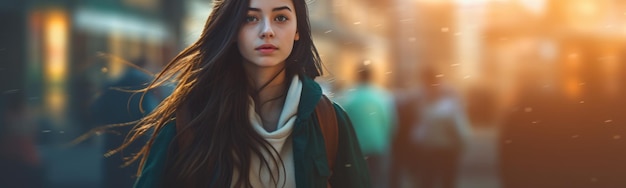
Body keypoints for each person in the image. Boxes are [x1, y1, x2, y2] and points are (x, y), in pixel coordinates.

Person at [111, 0, 371, 187]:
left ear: (298, 31)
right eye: (251, 17)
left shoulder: (328, 120)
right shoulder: (191, 119)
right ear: (233, 30)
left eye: (281, 17)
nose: (267, 30)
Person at [411, 67, 472, 188]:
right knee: (446, 181)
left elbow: (418, 133)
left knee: (429, 181)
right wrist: (462, 145)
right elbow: (460, 131)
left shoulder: (424, 105)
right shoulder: (447, 105)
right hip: (446, 152)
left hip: (431, 151)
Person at [339, 62, 395, 188]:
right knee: (378, 180)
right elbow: (391, 123)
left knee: (358, 181)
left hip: (356, 148)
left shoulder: (349, 97)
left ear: (357, 76)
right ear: (372, 76)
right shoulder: (383, 96)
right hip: (378, 145)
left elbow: (343, 124)